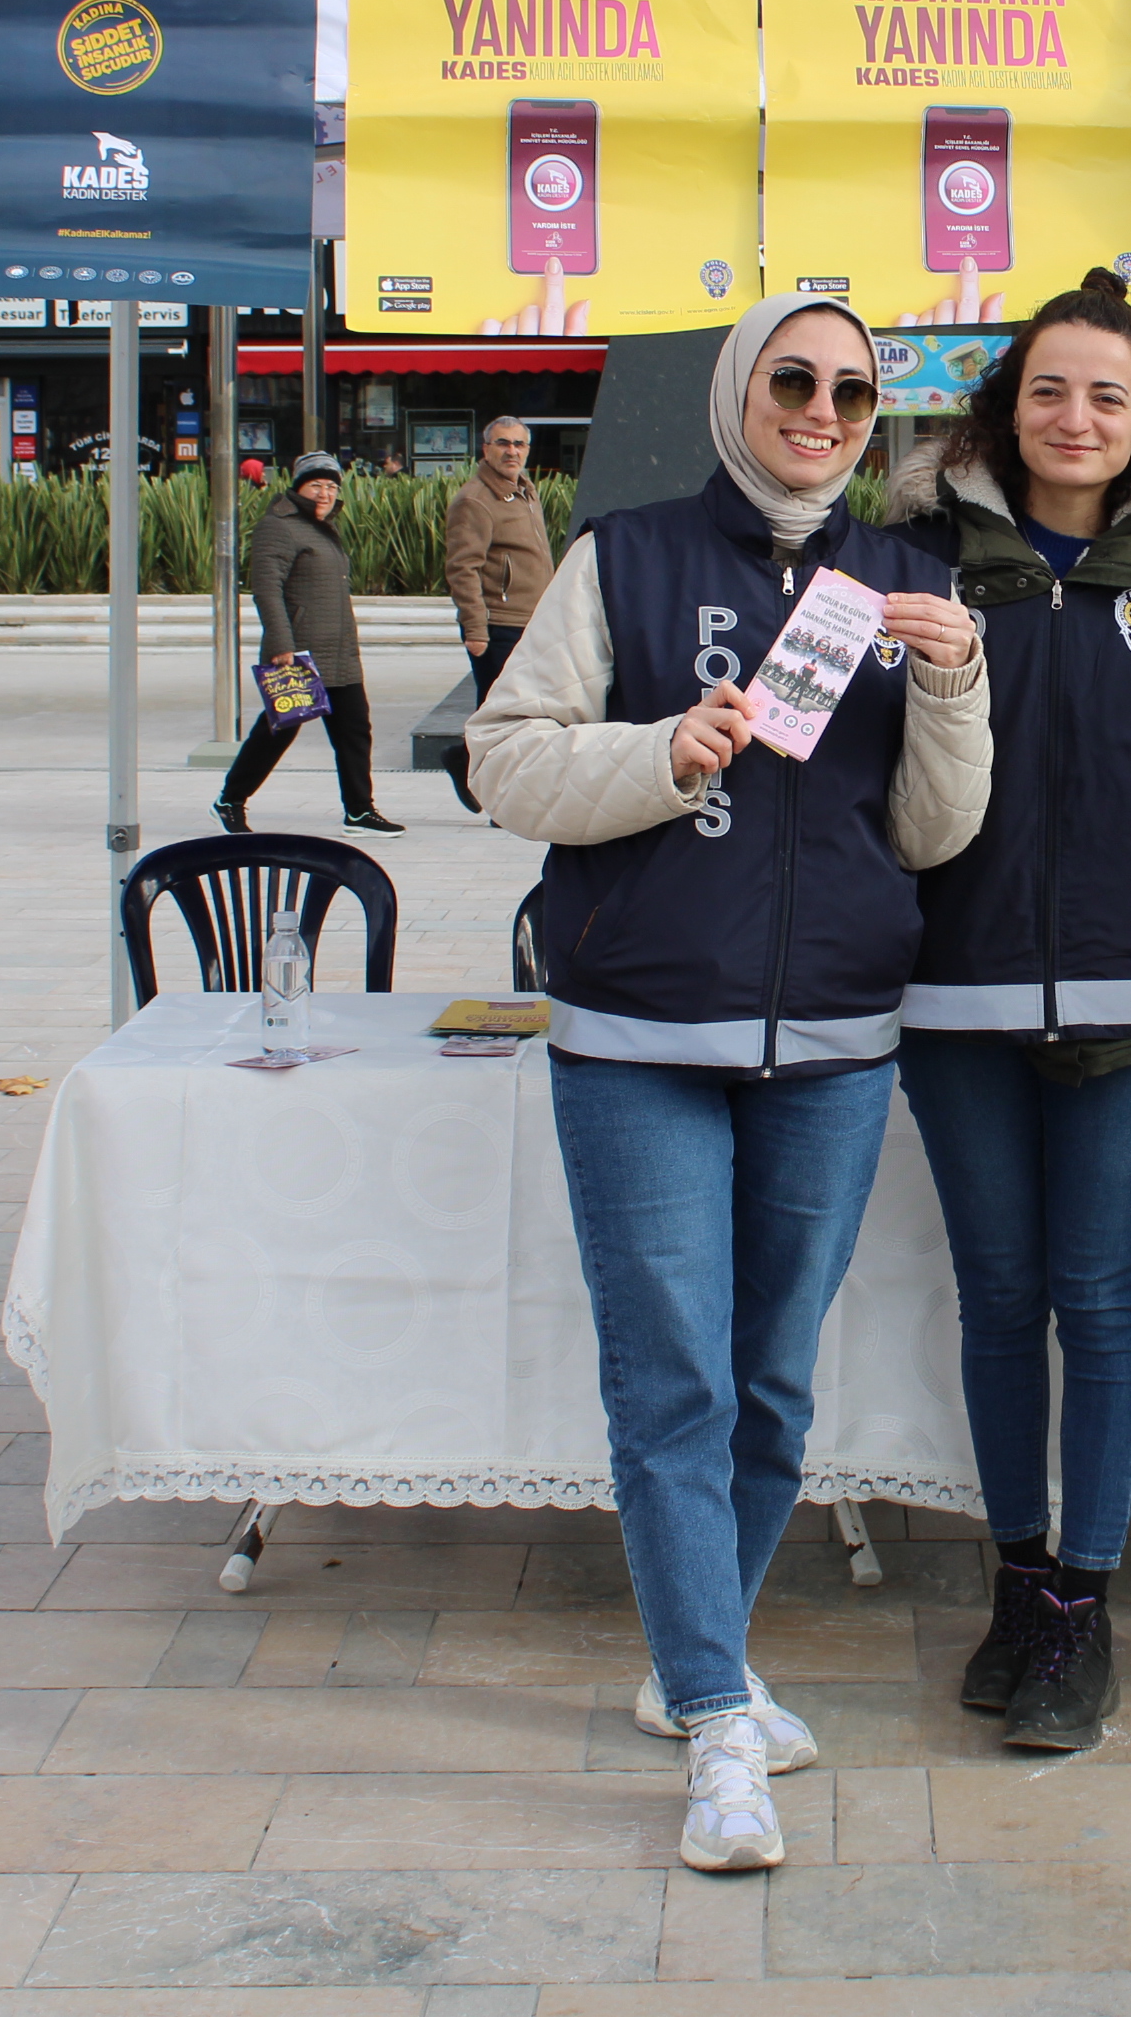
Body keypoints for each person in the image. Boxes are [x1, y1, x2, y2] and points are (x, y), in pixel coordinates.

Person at [462, 292, 991, 1874]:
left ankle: (698, 1660)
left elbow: (933, 836)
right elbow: (504, 759)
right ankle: (713, 1715)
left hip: (831, 1042)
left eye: (849, 389)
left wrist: (958, 686)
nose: (821, 410)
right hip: (638, 1038)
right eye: (792, 381)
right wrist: (663, 755)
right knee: (673, 1380)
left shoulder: (905, 580)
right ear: (734, 395)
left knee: (771, 1383)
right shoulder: (624, 554)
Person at [887, 271, 1131, 1754]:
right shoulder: (912, 558)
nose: (1077, 416)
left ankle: (1084, 1606)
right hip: (953, 990)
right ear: (1002, 405)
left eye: (1108, 393)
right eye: (1049, 388)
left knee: (1098, 1300)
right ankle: (1018, 1581)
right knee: (996, 1298)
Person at [215, 454, 401, 836]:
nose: (325, 493)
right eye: (317, 485)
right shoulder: (278, 526)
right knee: (278, 731)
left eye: (332, 487)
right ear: (298, 486)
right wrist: (281, 643)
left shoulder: (323, 527)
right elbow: (267, 589)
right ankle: (230, 800)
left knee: (354, 729)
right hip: (297, 652)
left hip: (339, 652)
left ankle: (359, 811)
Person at [443, 415, 556, 707]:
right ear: (486, 449)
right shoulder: (475, 500)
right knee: (498, 711)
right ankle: (471, 755)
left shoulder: (524, 491)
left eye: (519, 444)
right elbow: (462, 569)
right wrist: (476, 629)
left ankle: (466, 754)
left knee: (522, 709)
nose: (512, 451)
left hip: (530, 621)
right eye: (503, 443)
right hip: (499, 627)